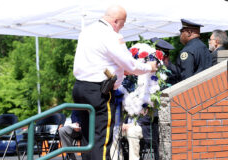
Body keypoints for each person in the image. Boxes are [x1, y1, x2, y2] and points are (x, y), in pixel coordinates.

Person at [72, 5, 158, 160]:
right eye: (122, 24)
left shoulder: (86, 31)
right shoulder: (111, 35)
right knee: (102, 139)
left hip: (80, 87)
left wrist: (118, 71)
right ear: (116, 21)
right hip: (99, 91)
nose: (122, 28)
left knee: (87, 137)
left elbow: (97, 62)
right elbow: (130, 64)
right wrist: (149, 67)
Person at [165, 19, 212, 85]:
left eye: (181, 31)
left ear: (189, 32)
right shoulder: (203, 46)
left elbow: (186, 78)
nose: (180, 35)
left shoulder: (187, 51)